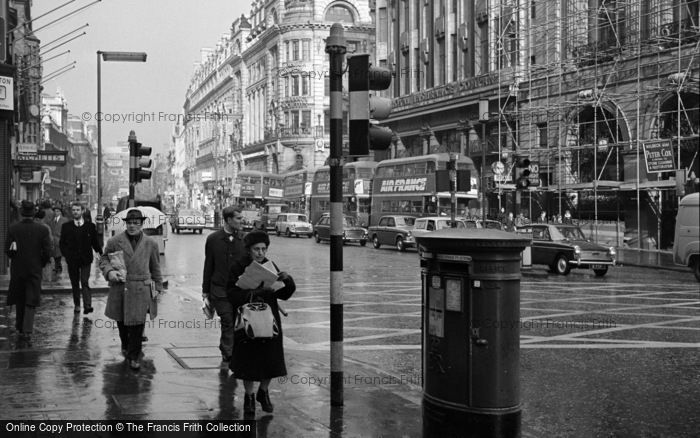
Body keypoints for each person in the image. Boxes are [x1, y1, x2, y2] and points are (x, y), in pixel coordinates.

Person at [227, 230, 295, 416]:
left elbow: (284, 294)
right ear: (248, 250)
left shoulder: (269, 266)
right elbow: (231, 294)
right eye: (256, 249)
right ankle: (249, 397)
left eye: (264, 249)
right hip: (247, 320)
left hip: (269, 319)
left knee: (270, 359)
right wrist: (257, 293)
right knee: (248, 362)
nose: (260, 253)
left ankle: (263, 392)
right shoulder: (238, 266)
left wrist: (287, 281)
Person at [99, 209, 163, 370]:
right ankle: (126, 347)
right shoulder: (115, 241)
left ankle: (134, 356)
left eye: (136, 223)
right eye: (129, 223)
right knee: (122, 324)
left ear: (142, 224)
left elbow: (155, 267)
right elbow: (104, 259)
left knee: (137, 324)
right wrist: (110, 272)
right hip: (121, 287)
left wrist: (158, 287)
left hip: (141, 288)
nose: (132, 226)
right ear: (125, 224)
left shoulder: (150, 243)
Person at [202, 206, 247, 372]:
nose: (242, 221)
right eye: (238, 218)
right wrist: (205, 290)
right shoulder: (213, 239)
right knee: (227, 320)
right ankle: (228, 354)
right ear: (228, 220)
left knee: (237, 322)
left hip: (239, 289)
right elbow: (209, 265)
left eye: (241, 218)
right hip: (219, 289)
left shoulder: (244, 239)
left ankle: (230, 349)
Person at [4, 201, 52, 347]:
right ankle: (27, 330)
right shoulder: (42, 230)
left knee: (20, 297)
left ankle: (19, 327)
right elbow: (47, 251)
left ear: (22, 213)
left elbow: (8, 250)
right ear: (33, 213)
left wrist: (16, 258)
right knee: (31, 299)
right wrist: (41, 263)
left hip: (18, 268)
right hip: (34, 269)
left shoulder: (13, 229)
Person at [60, 202, 103, 314]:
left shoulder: (90, 226)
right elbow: (62, 244)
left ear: (82, 211)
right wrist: (66, 255)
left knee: (84, 281)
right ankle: (77, 305)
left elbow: (95, 242)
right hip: (72, 260)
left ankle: (87, 305)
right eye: (73, 210)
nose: (75, 212)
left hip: (86, 259)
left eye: (78, 210)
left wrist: (100, 253)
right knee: (75, 283)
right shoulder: (66, 227)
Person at [50, 205, 69, 275]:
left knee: (58, 255)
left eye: (57, 211)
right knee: (55, 255)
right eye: (55, 211)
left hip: (61, 240)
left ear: (60, 212)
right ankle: (58, 267)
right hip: (54, 241)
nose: (56, 212)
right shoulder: (52, 220)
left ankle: (58, 267)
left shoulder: (64, 220)